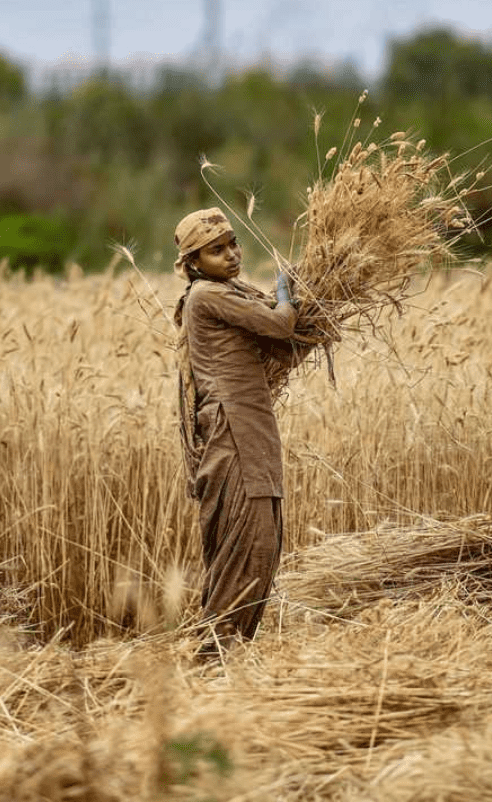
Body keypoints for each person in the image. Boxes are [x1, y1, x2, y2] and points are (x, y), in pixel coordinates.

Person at [172, 207, 301, 658]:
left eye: (232, 244)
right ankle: (214, 656)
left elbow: (281, 347)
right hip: (234, 432)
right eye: (215, 250)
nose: (230, 255)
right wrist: (286, 293)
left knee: (259, 548)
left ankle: (230, 655)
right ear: (193, 263)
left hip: (249, 425)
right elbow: (282, 325)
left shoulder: (226, 293)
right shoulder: (207, 295)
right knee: (249, 547)